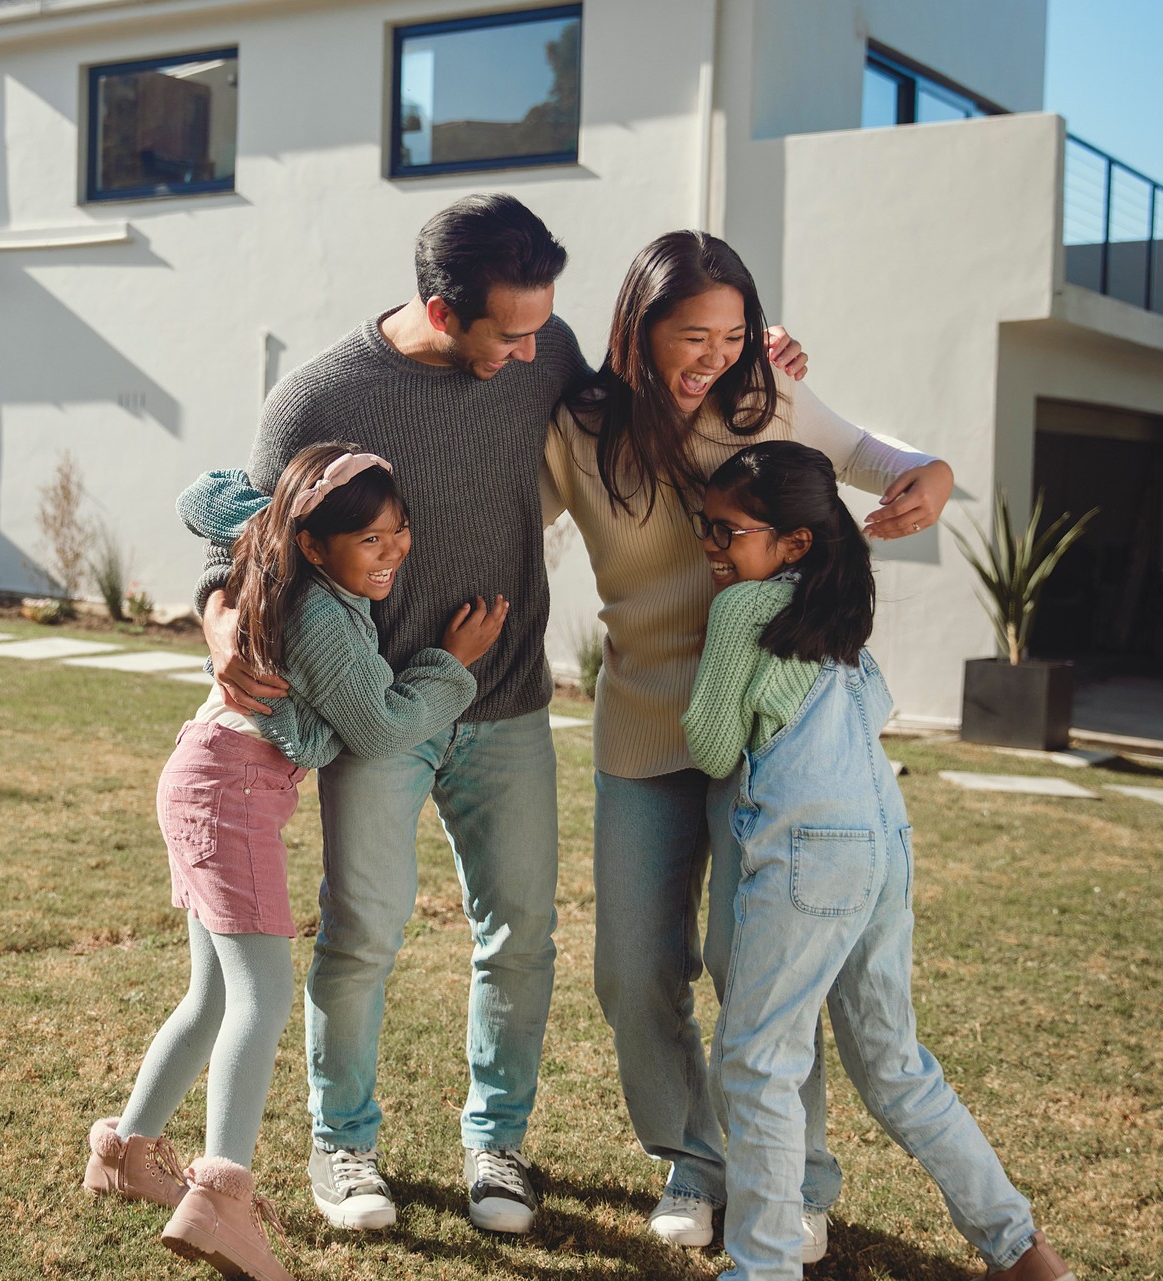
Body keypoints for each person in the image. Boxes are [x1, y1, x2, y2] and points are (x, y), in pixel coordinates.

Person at [191, 197, 808, 1236]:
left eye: (542, 330)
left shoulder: (550, 344)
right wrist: (218, 624)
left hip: (509, 695)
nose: (533, 353)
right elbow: (239, 539)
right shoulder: (319, 398)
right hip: (375, 709)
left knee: (521, 936)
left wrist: (759, 360)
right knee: (364, 933)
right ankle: (343, 1143)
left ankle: (498, 1143)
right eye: (510, 335)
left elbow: (654, 393)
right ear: (441, 307)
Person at [539, 229, 948, 1259]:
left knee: (755, 967)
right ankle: (696, 1158)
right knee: (634, 972)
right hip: (642, 728)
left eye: (731, 337)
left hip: (764, 735)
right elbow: (493, 516)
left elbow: (888, 462)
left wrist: (927, 482)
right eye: (692, 338)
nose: (713, 359)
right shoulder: (579, 433)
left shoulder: (770, 401)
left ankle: (796, 1179)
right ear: (639, 330)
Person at [85, 443, 506, 1281]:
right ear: (315, 544)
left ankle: (127, 1152)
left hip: (210, 774)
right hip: (229, 792)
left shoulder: (284, 542)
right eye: (370, 541)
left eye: (400, 534)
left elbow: (207, 499)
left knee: (211, 993)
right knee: (261, 992)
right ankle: (220, 1198)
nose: (392, 555)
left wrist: (286, 501)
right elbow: (384, 725)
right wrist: (450, 669)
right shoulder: (319, 609)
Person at [683, 440, 1075, 1281]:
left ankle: (762, 1268)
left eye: (727, 532)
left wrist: (724, 694)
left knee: (756, 1062)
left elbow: (713, 747)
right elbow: (879, 707)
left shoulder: (743, 612)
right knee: (897, 1067)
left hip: (805, 855)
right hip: (883, 847)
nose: (711, 548)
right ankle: (1023, 1251)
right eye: (705, 527)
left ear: (793, 542)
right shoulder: (840, 614)